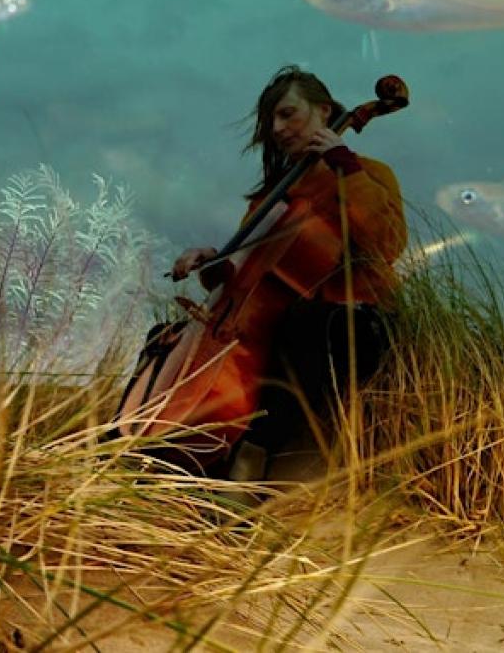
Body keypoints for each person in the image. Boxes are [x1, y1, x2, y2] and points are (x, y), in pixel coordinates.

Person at [166, 66, 407, 480]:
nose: (277, 129)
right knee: (166, 341)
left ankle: (253, 455)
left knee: (309, 324)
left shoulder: (364, 172)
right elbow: (246, 277)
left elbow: (387, 244)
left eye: (287, 114)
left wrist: (342, 164)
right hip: (281, 322)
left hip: (352, 320)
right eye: (270, 121)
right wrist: (212, 258)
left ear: (323, 110)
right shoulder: (271, 196)